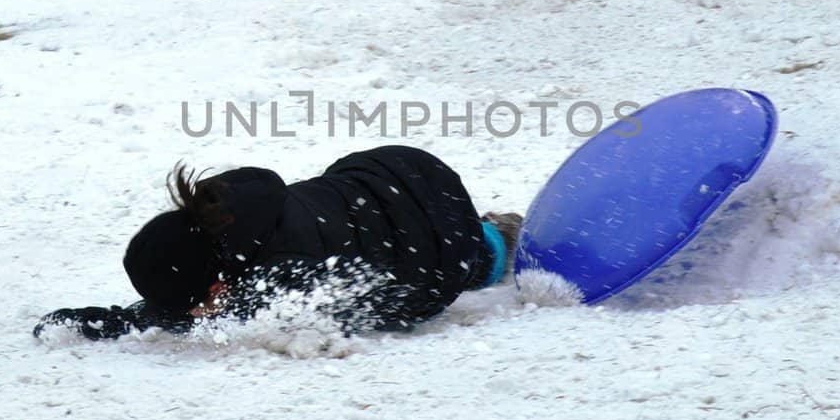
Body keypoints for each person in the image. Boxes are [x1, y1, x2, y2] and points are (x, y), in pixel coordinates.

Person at [34, 144, 522, 340]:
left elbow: (243, 314)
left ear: (212, 286)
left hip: (438, 247)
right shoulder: (228, 204)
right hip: (394, 171)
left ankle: (502, 246)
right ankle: (482, 229)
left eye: (195, 305)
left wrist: (127, 322)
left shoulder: (280, 279)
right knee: (352, 225)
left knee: (446, 268)